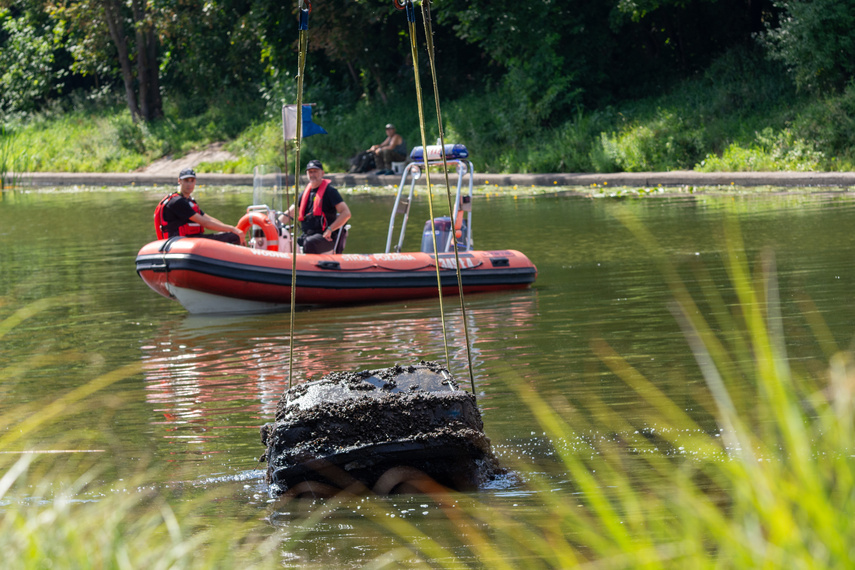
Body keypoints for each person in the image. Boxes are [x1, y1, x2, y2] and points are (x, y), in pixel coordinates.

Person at [278, 160, 351, 254]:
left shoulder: (330, 192)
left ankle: (307, 266)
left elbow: (346, 213)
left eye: (315, 171)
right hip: (307, 236)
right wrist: (275, 225)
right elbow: (289, 213)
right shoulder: (304, 194)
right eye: (310, 172)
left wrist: (330, 229)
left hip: (326, 237)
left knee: (309, 243)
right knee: (288, 242)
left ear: (322, 173)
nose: (312, 174)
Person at [156, 168, 245, 245]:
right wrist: (233, 230)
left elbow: (208, 219)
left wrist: (231, 229)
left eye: (192, 180)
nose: (189, 184)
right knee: (233, 237)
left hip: (191, 239)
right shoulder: (177, 202)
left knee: (231, 234)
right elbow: (206, 223)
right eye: (186, 180)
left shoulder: (189, 201)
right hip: (180, 242)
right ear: (179, 181)